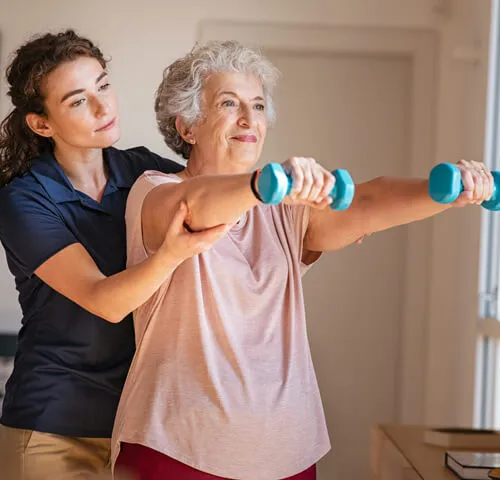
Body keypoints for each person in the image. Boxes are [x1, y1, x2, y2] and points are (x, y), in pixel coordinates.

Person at [110, 40, 493, 480]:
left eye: (257, 105)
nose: (248, 119)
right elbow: (194, 207)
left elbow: (367, 200)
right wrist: (267, 184)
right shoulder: (155, 190)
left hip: (286, 452)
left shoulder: (283, 209)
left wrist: (448, 190)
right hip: (177, 447)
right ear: (187, 127)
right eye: (228, 103)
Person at [0, 30, 228, 480]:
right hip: (53, 428)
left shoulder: (145, 170)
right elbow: (106, 301)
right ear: (42, 124)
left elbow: (216, 197)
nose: (104, 107)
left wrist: (300, 224)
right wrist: (172, 254)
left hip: (138, 427)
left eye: (103, 85)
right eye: (78, 100)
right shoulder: (23, 199)